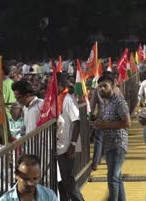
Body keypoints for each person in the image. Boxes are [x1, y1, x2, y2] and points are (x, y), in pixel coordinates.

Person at [92, 75, 131, 201]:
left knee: (112, 178)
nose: (102, 89)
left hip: (118, 144)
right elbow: (108, 121)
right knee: (117, 177)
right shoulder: (106, 103)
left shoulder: (119, 102)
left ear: (112, 86)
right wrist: (100, 123)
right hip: (109, 145)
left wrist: (106, 124)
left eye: (105, 86)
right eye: (100, 87)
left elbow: (127, 123)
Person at [56, 73, 84, 201]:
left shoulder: (67, 99)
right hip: (59, 146)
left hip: (66, 147)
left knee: (68, 181)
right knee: (61, 183)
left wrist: (72, 145)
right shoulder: (57, 98)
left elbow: (76, 122)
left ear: (60, 85)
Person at [89, 71, 123, 171]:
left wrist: (91, 116)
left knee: (98, 140)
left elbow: (92, 105)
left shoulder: (97, 90)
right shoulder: (116, 90)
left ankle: (95, 163)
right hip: (114, 119)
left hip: (102, 117)